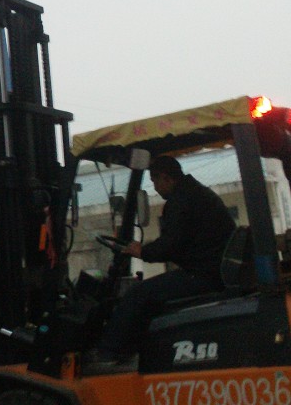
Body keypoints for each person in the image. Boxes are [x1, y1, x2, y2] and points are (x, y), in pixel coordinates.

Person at [91, 155, 236, 365]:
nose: (156, 188)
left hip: (203, 275)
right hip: (210, 270)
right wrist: (148, 251)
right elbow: (178, 243)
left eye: (155, 181)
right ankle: (133, 348)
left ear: (167, 178)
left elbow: (170, 245)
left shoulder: (182, 200)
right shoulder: (195, 194)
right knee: (150, 294)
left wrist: (143, 252)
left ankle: (108, 354)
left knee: (137, 294)